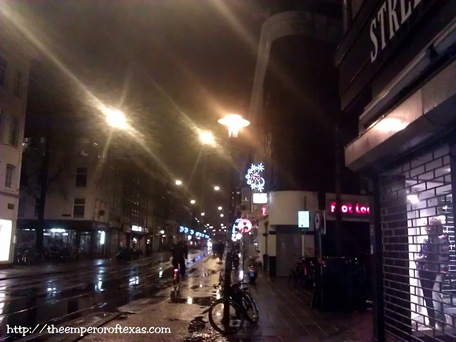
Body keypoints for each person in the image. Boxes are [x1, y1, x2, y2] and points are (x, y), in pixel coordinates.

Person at [415, 217, 450, 329]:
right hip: (435, 270)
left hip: (435, 270)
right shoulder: (441, 239)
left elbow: (431, 257)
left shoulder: (438, 239)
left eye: (429, 228)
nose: (428, 231)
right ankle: (437, 322)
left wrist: (419, 258)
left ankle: (438, 322)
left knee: (433, 296)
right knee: (432, 296)